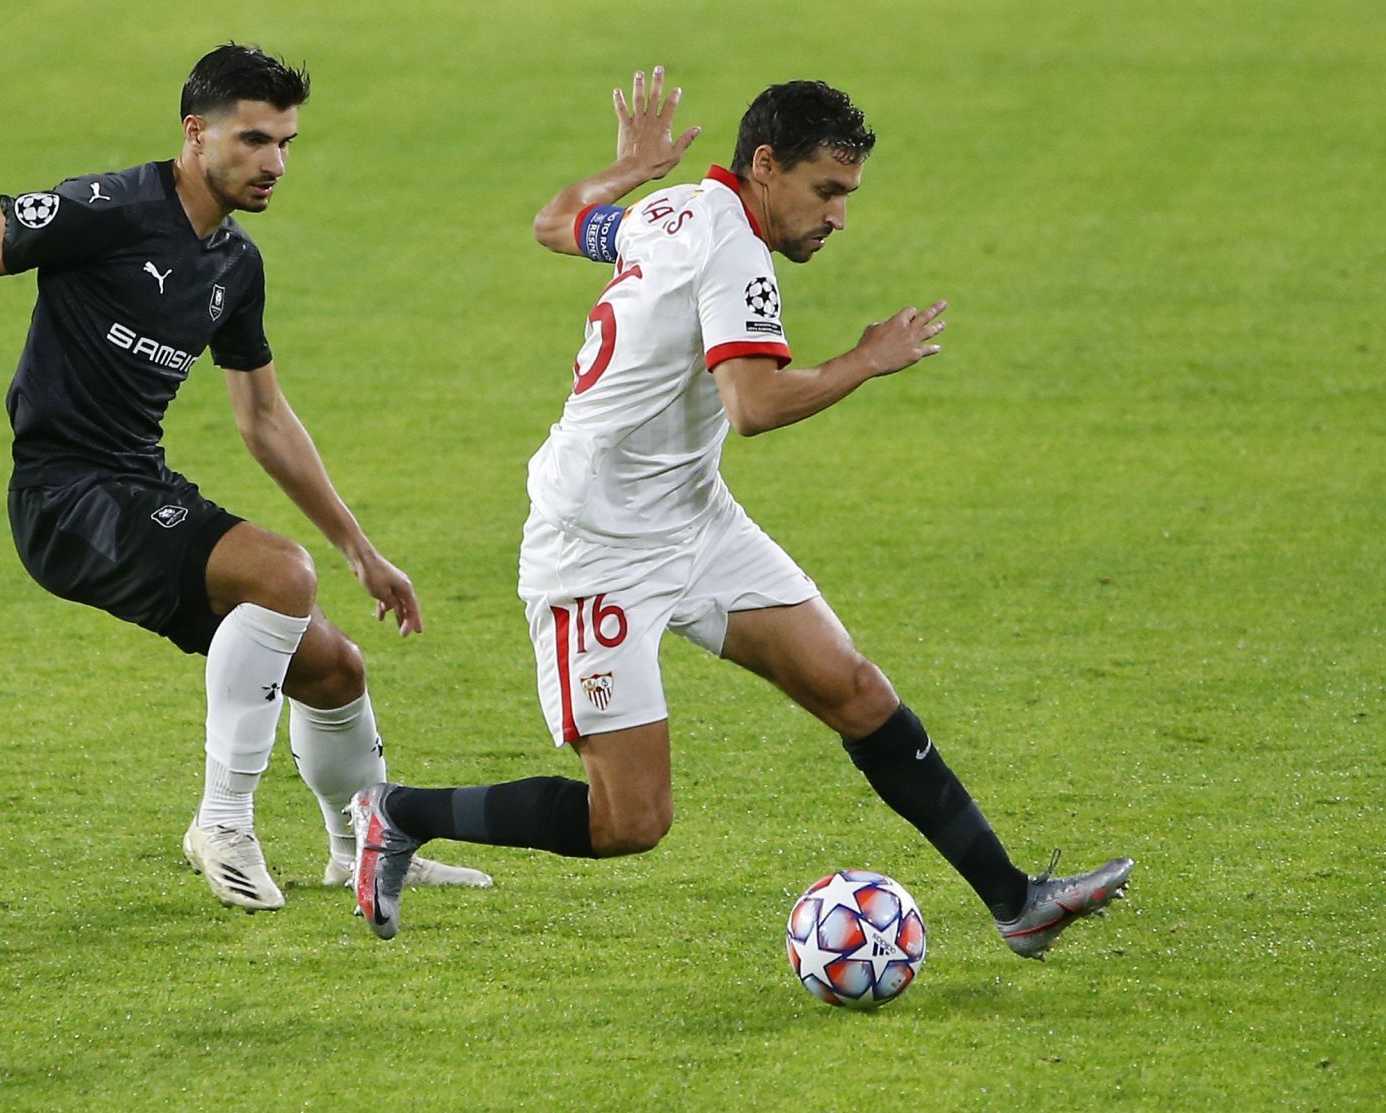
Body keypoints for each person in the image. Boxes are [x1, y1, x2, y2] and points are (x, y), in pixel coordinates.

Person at [350, 68, 1132, 954]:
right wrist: (866, 359)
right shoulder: (732, 252)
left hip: (692, 515)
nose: (839, 215)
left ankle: (1015, 902)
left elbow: (554, 220)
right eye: (826, 191)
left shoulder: (666, 211)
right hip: (596, 550)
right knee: (631, 820)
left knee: (856, 691)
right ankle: (401, 812)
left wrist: (632, 169)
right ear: (766, 165)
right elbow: (752, 406)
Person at [0, 43, 490, 911]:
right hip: (64, 498)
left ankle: (366, 846)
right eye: (255, 139)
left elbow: (264, 420)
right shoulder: (108, 208)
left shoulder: (235, 265)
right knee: (278, 574)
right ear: (196, 134)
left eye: (287, 143)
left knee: (335, 669)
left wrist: (363, 551)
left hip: (137, 488)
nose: (274, 162)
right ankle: (221, 822)